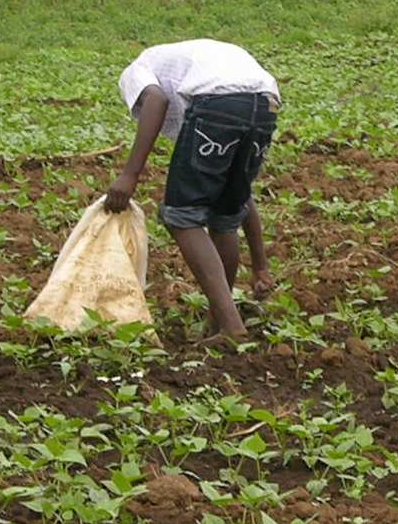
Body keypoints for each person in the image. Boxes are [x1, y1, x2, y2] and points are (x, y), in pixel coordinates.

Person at [103, 39, 279, 340]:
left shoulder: (138, 68)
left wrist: (129, 175)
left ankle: (232, 327)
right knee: (225, 214)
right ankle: (218, 324)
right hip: (264, 105)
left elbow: (156, 101)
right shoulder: (189, 63)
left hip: (218, 102)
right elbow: (242, 197)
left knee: (182, 216)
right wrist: (260, 266)